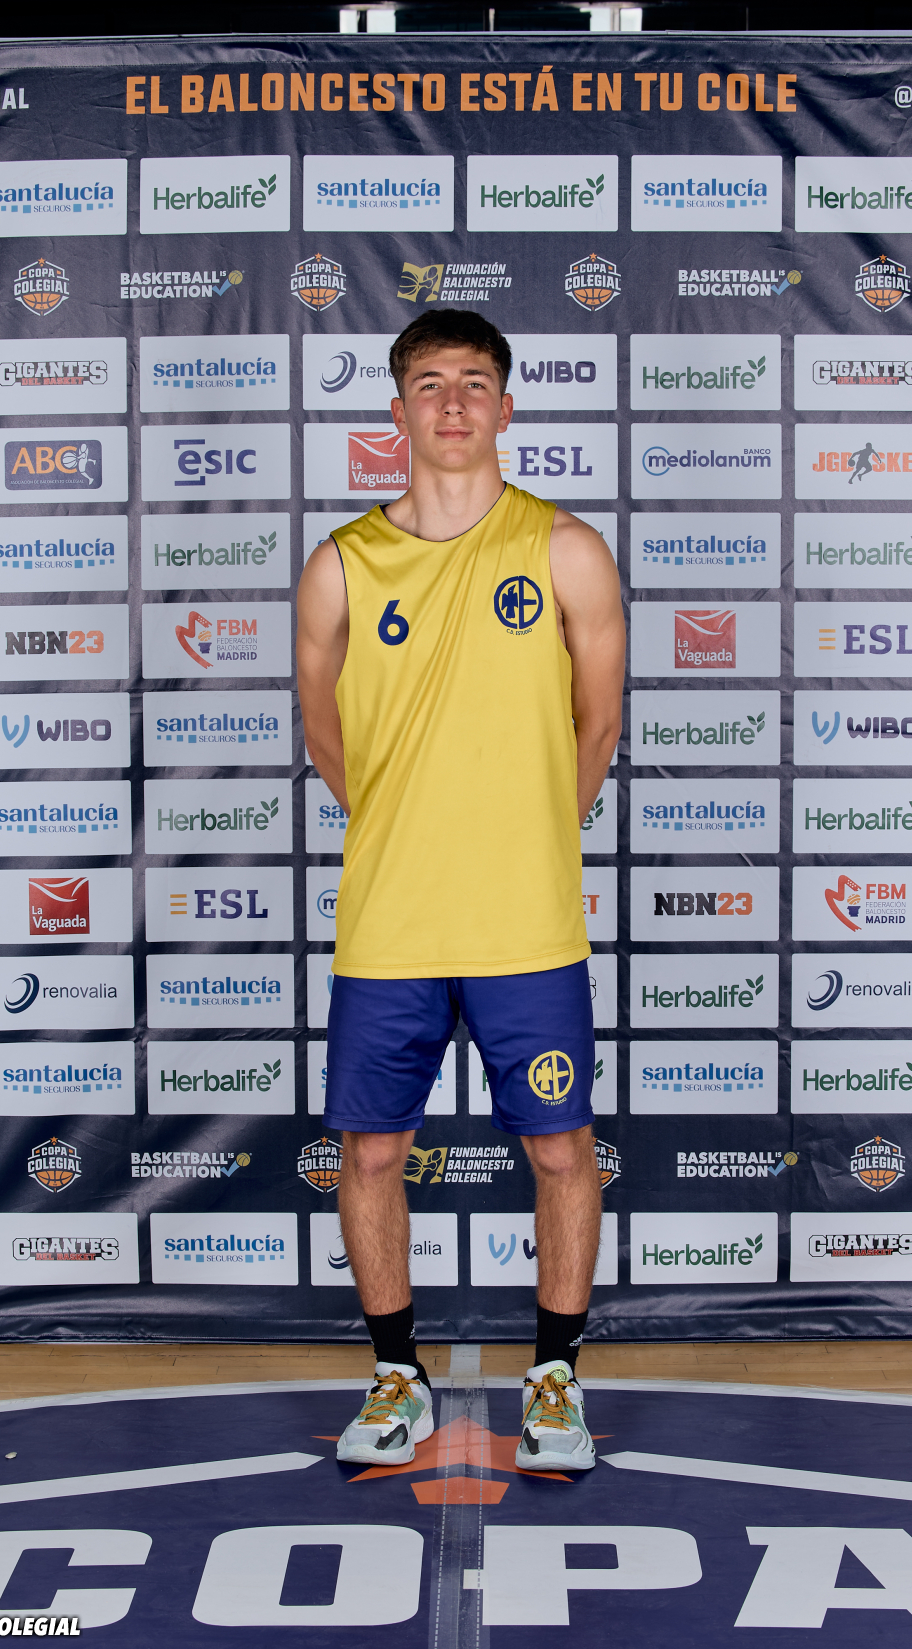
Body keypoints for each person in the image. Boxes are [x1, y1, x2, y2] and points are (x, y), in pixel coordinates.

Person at [296, 309, 626, 1473]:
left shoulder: (565, 549)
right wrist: (407, 827)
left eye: (474, 382)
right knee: (370, 1152)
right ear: (395, 410)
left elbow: (597, 724)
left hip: (523, 919)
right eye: (429, 382)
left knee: (561, 1150)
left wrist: (521, 834)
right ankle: (397, 1375)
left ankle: (553, 1380)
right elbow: (323, 729)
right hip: (389, 918)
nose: (451, 402)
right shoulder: (339, 563)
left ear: (505, 407)